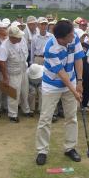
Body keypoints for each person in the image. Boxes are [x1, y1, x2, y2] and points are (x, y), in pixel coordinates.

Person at [35, 19, 84, 166]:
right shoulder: (50, 48)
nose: (73, 37)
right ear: (60, 38)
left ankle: (70, 148)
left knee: (71, 117)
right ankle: (42, 151)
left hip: (72, 81)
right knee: (45, 118)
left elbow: (78, 59)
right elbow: (61, 73)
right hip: (52, 85)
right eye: (70, 36)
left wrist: (80, 82)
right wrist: (74, 91)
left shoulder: (73, 37)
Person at [0, 24, 31, 123]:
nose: (20, 38)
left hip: (23, 70)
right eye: (18, 37)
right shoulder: (4, 46)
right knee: (13, 94)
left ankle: (26, 110)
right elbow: (2, 63)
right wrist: (5, 77)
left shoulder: (22, 40)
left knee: (25, 91)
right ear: (12, 37)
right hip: (12, 73)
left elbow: (26, 53)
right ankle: (12, 114)